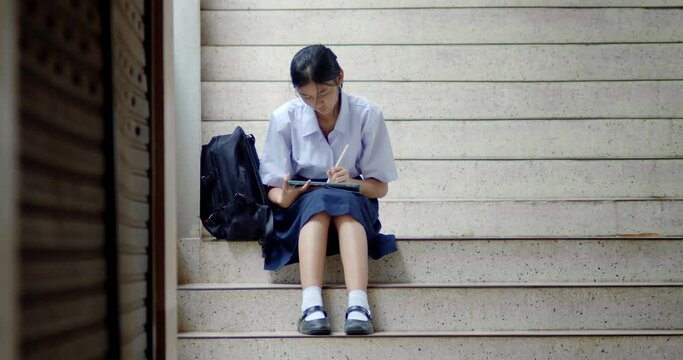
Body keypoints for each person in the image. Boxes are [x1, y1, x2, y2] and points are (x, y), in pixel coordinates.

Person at [259, 45, 398, 335]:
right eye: (306, 96)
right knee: (318, 204)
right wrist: (284, 196)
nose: (317, 103)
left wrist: (352, 183)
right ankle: (311, 305)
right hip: (302, 204)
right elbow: (274, 188)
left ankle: (358, 304)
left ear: (340, 79)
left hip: (354, 200)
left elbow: (379, 187)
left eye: (323, 93)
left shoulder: (367, 115)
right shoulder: (285, 117)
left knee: (343, 207)